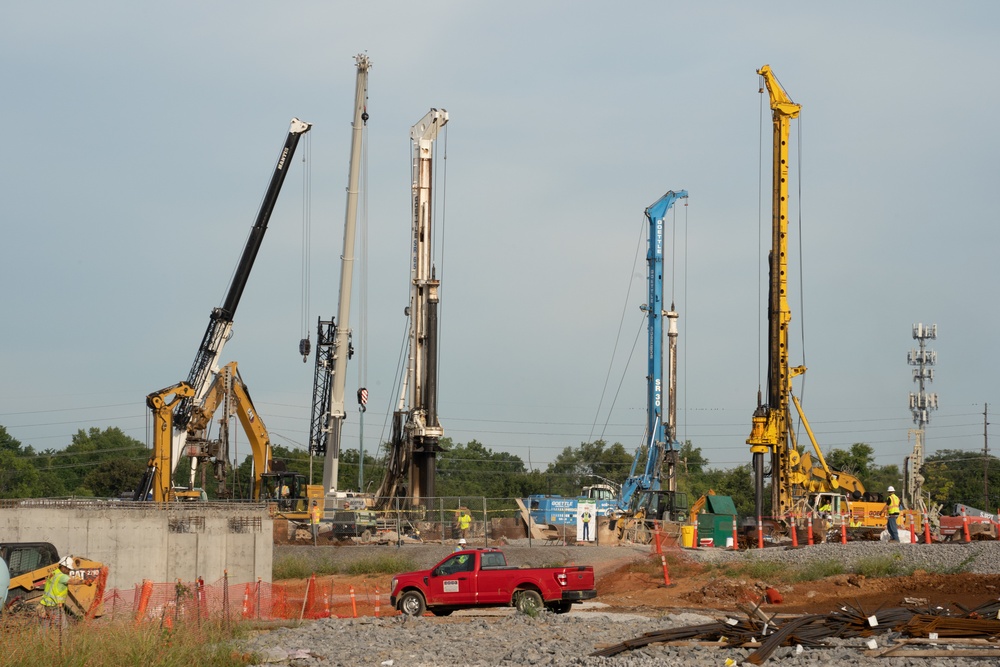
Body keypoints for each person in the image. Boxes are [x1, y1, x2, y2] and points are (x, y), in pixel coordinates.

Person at [39, 556, 76, 629]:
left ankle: (41, 640)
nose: (69, 571)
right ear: (63, 567)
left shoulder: (53, 573)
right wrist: (85, 581)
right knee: (63, 628)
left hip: (46, 605)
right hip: (55, 607)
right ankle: (63, 640)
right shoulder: (62, 576)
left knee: (44, 628)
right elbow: (73, 581)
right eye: (68, 569)